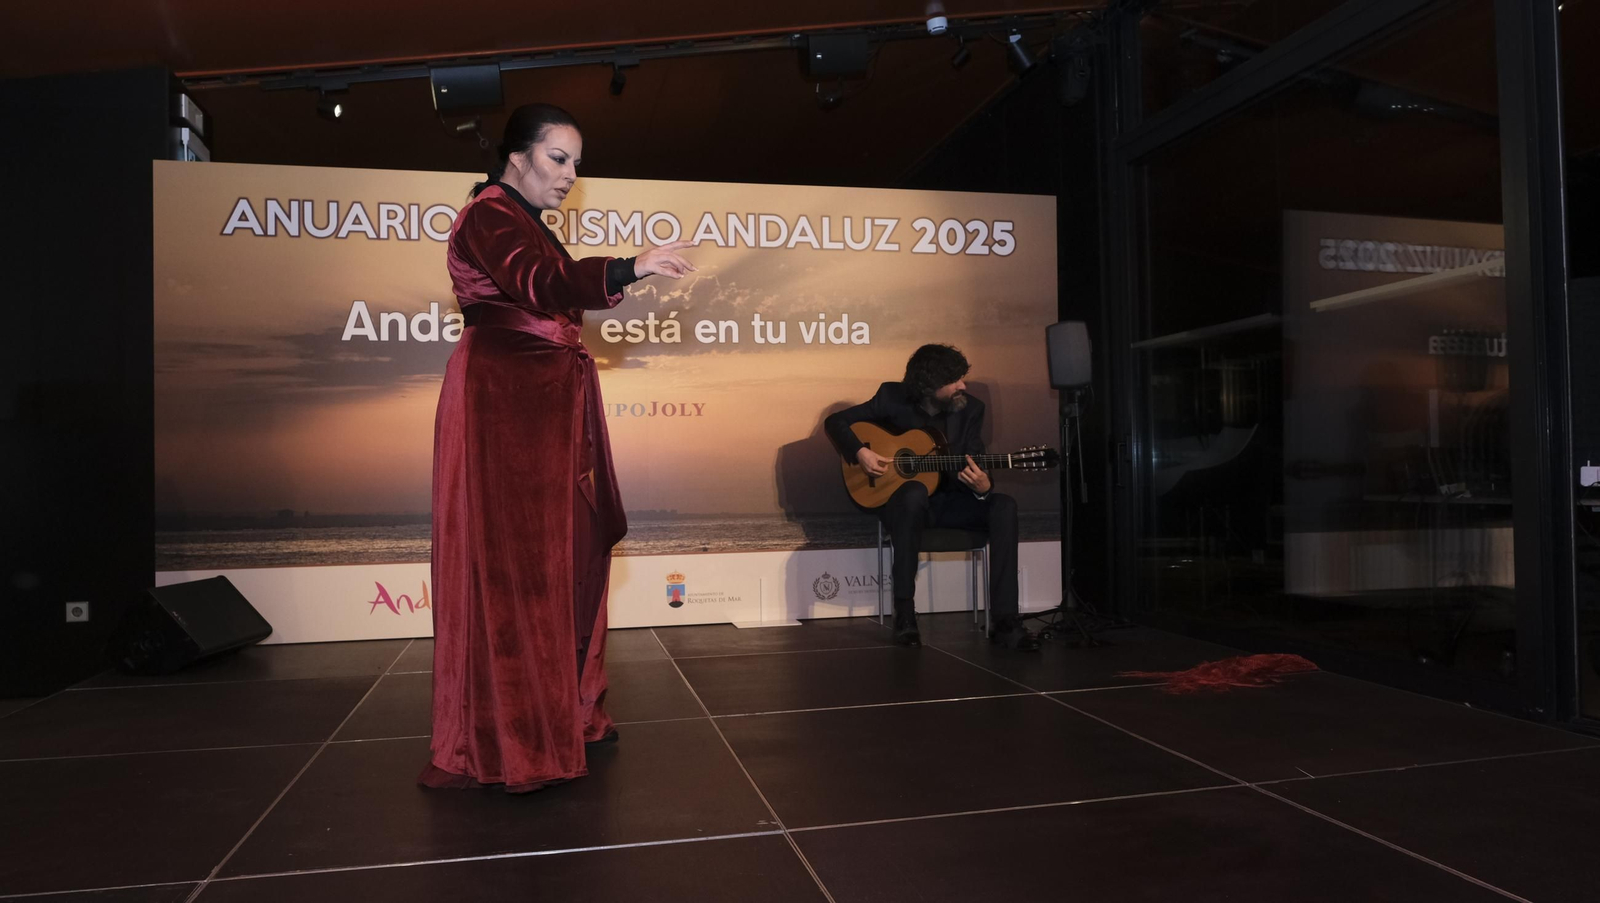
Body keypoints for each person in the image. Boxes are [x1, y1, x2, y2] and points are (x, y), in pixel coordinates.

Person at [420, 104, 696, 792]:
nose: (571, 175)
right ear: (517, 155)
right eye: (558, 158)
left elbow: (554, 297)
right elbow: (541, 288)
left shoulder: (526, 221)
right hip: (506, 401)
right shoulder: (489, 213)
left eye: (576, 162)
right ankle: (511, 735)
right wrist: (631, 265)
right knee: (519, 566)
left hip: (544, 400)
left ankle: (566, 712)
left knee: (566, 558)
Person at [825, 344, 1040, 651]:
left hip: (952, 503)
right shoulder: (891, 397)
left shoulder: (971, 409)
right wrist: (861, 453)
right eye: (954, 380)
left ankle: (1005, 622)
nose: (962, 386)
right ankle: (905, 614)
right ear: (928, 385)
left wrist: (983, 486)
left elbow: (976, 458)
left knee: (1003, 505)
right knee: (913, 492)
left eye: (962, 378)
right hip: (906, 507)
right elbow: (836, 422)